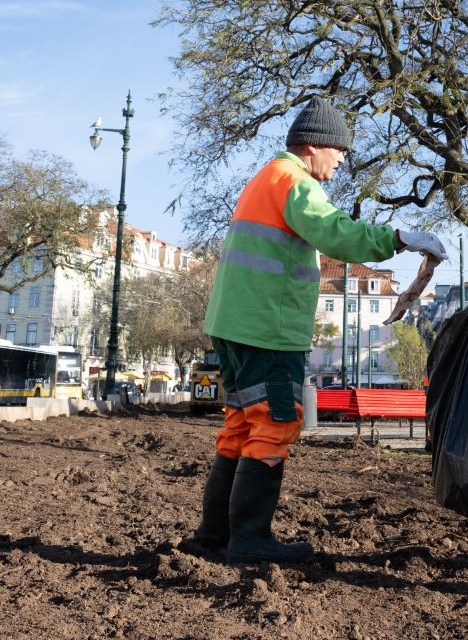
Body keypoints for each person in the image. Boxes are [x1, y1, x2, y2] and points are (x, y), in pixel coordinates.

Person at [190, 96, 447, 564]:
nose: (344, 160)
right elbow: (335, 232)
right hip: (267, 329)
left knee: (241, 425)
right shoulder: (295, 182)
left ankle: (215, 534)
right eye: (339, 150)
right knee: (277, 422)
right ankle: (249, 541)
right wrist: (398, 238)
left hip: (233, 324)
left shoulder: (264, 179)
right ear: (312, 147)